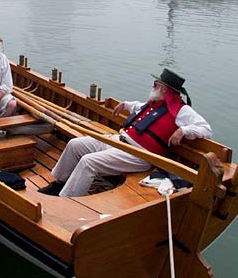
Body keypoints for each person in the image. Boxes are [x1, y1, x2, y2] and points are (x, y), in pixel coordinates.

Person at [38, 68, 212, 197]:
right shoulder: (155, 102)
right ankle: (59, 182)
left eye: (155, 84)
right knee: (75, 144)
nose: (152, 86)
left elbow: (205, 128)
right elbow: (139, 107)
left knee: (88, 162)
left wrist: (183, 130)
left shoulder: (181, 111)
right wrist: (126, 104)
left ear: (164, 89)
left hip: (139, 155)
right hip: (119, 141)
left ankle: (67, 198)